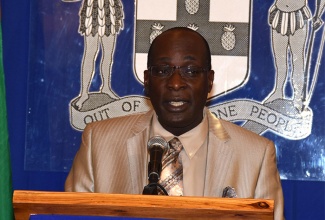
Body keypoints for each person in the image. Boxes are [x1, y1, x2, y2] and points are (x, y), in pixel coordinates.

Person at [65, 27, 284, 219]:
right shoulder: (99, 143)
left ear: (209, 81)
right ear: (147, 81)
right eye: (162, 71)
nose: (176, 83)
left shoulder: (256, 155)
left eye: (190, 71)